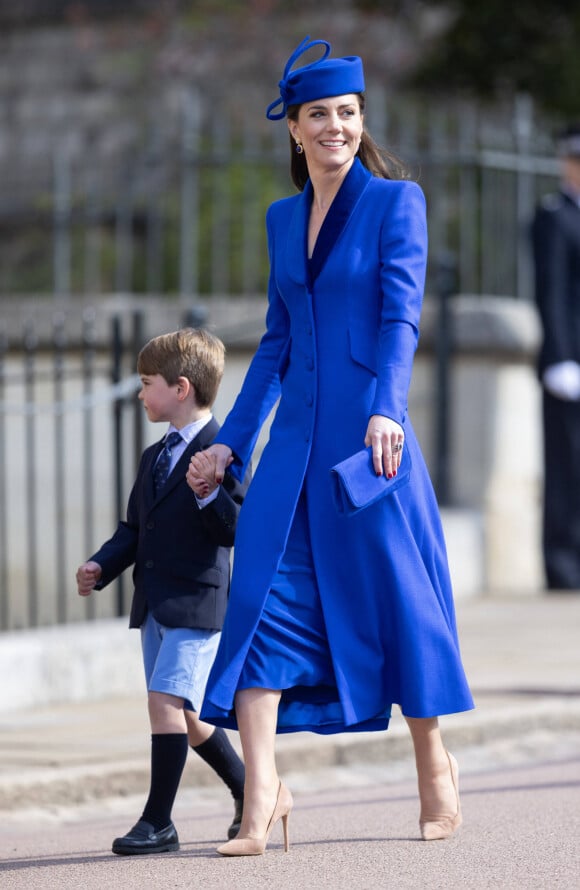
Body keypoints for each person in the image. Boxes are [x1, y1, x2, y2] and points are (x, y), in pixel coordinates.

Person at [187, 36, 474, 856]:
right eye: (321, 116)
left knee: (396, 600)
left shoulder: (396, 203)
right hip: (295, 448)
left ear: (359, 119)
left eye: (348, 113)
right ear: (295, 128)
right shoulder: (283, 219)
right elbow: (277, 344)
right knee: (260, 605)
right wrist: (232, 445)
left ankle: (432, 761)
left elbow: (401, 316)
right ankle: (262, 796)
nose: (337, 127)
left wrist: (389, 408)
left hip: (369, 442)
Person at [76, 327, 250, 856]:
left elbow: (235, 530)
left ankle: (159, 823)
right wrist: (100, 565)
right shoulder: (154, 457)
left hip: (199, 602)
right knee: (189, 716)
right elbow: (135, 529)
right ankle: (256, 791)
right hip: (154, 601)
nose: (139, 393)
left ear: (179, 388)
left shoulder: (225, 450)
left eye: (146, 382)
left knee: (164, 703)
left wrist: (207, 493)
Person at [531, 123, 580, 590]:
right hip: (572, 364)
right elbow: (554, 293)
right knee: (569, 466)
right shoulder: (554, 216)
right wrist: (562, 358)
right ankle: (565, 567)